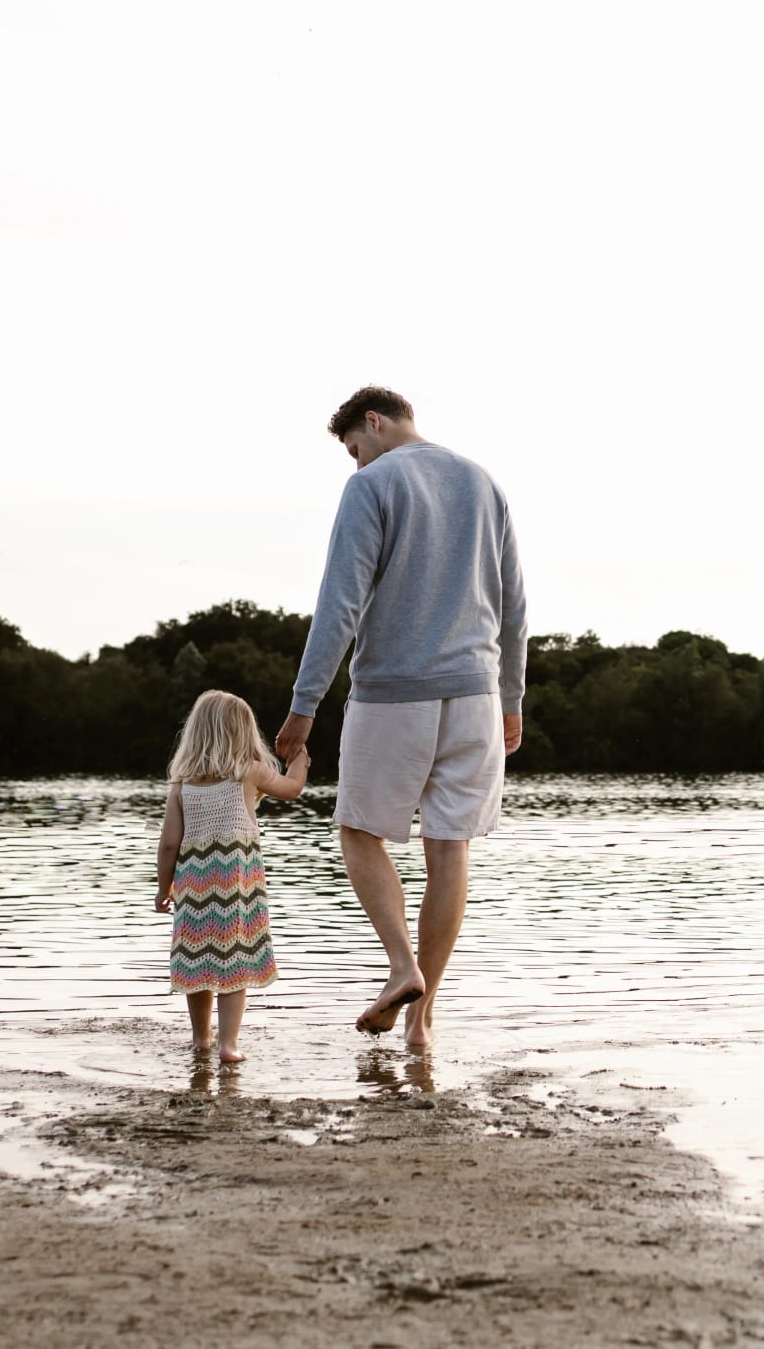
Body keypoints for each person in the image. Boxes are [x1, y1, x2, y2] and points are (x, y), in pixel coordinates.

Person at [279, 386, 525, 1053]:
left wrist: (305, 706)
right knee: (451, 849)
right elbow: (513, 603)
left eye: (355, 450)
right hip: (475, 696)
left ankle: (401, 967)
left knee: (358, 832)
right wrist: (511, 696)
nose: (356, 464)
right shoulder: (483, 482)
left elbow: (339, 606)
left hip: (394, 693)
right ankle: (423, 1020)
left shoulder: (374, 485)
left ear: (375, 422)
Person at [156, 688, 308, 1066]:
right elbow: (291, 789)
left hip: (192, 890)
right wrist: (300, 760)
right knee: (234, 964)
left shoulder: (182, 785)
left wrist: (164, 888)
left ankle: (199, 1039)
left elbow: (168, 845)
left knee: (197, 962)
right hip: (237, 890)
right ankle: (229, 1044)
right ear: (243, 734)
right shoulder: (249, 773)